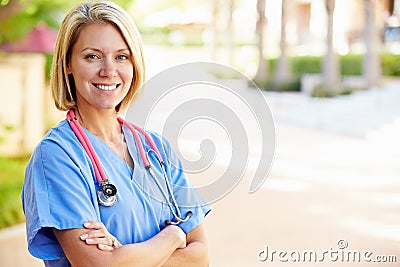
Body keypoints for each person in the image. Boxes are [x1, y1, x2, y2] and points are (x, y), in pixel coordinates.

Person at [22, 1, 211, 266]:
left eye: (121, 56)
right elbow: (98, 264)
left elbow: (200, 257)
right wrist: (173, 236)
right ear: (67, 64)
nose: (109, 71)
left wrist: (125, 255)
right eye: (92, 56)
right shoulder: (57, 156)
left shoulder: (156, 149)